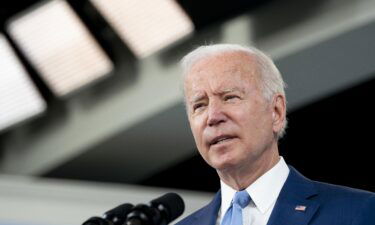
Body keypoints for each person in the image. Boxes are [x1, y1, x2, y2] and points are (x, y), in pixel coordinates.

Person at [176, 44, 375, 225]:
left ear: (276, 111)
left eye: (230, 97)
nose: (213, 116)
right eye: (199, 105)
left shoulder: (357, 212)